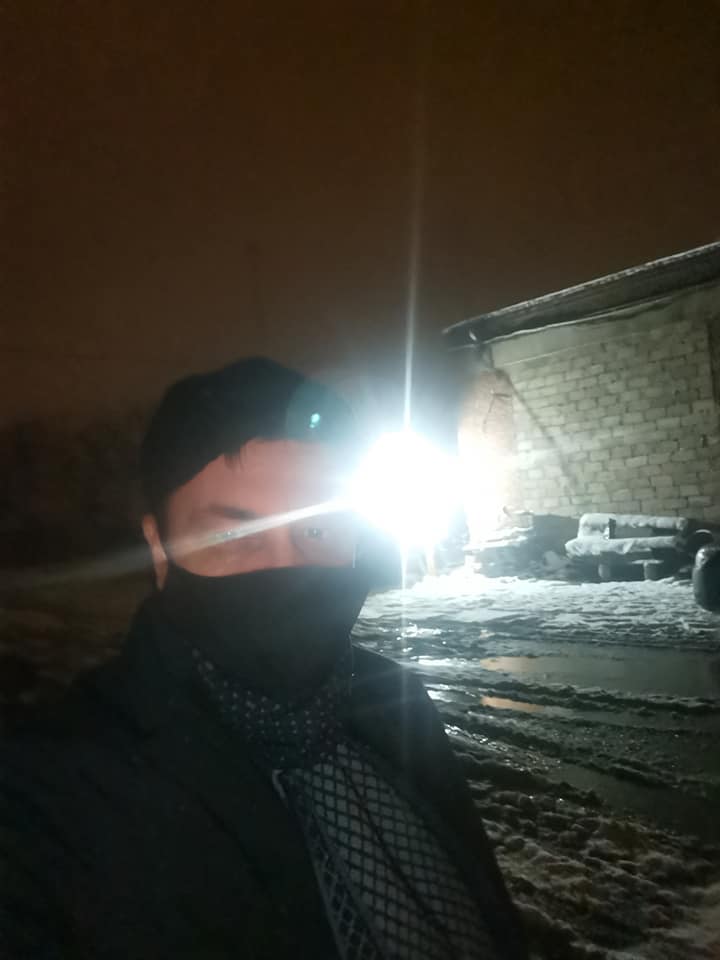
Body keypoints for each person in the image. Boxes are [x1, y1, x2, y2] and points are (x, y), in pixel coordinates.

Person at [0, 357, 527, 960]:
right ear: (160, 550)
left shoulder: (396, 702)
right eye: (232, 536)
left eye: (318, 530)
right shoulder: (51, 790)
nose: (286, 569)